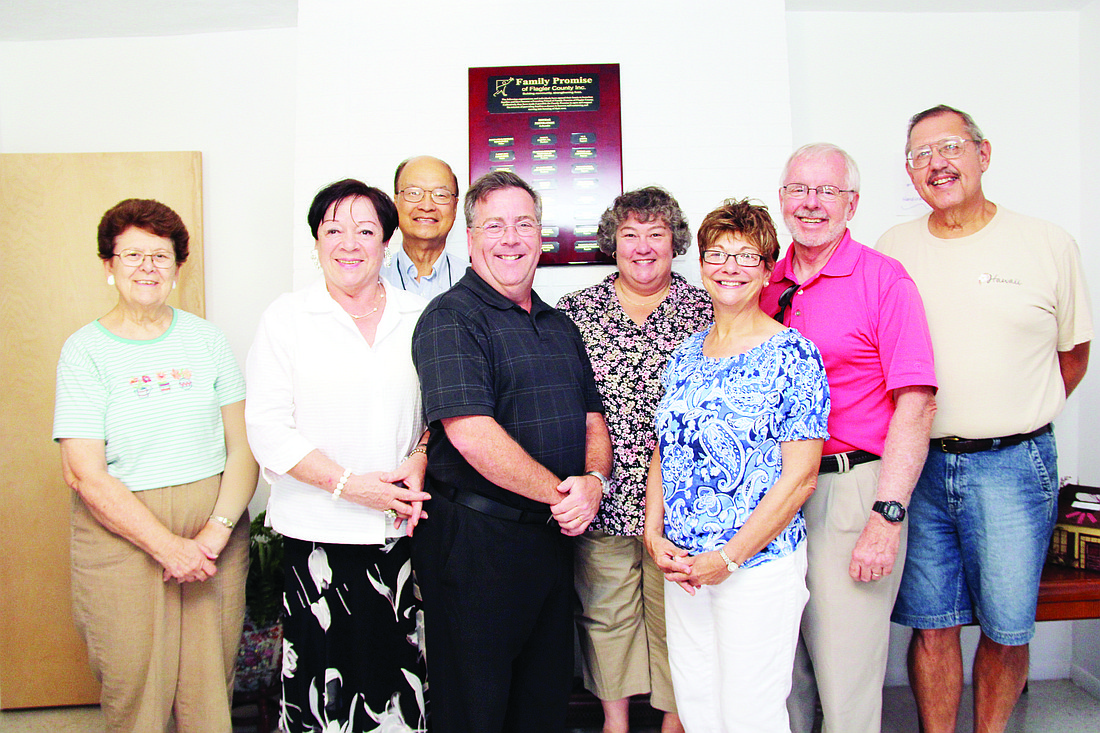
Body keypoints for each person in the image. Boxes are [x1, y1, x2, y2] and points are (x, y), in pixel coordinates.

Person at [878, 105, 1092, 733]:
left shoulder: (1047, 242)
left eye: (949, 147)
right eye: (919, 154)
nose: (936, 163)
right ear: (910, 173)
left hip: (1014, 465)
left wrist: (1015, 413)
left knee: (1006, 623)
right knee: (932, 620)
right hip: (916, 465)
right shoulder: (895, 249)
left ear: (983, 153)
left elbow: (1073, 354)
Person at [411, 170, 612, 733]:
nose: (511, 238)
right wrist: (563, 496)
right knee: (476, 708)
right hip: (477, 547)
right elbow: (469, 431)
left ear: (541, 235)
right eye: (494, 225)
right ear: (470, 238)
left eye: (524, 223)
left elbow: (593, 417)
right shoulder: (451, 319)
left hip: (550, 541)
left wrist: (593, 483)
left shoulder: (558, 324)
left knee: (542, 702)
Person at [53, 198, 258, 732]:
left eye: (160, 256)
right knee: (135, 686)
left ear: (177, 267)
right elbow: (84, 472)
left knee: (210, 687)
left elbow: (243, 449)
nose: (147, 267)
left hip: (213, 530)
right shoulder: (85, 351)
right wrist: (169, 548)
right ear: (108, 265)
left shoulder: (208, 340)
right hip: (123, 536)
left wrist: (211, 537)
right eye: (132, 255)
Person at [759, 143, 938, 733]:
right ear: (782, 199)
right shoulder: (764, 281)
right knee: (786, 676)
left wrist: (887, 517)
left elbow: (916, 404)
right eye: (798, 190)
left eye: (826, 191)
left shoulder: (884, 281)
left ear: (852, 203)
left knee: (846, 679)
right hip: (776, 495)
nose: (810, 203)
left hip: (850, 488)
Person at [245, 179, 431, 732]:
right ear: (315, 243)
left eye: (366, 230)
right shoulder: (287, 317)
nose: (349, 243)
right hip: (317, 536)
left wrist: (419, 456)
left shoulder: (420, 315)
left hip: (399, 533)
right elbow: (268, 429)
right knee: (322, 690)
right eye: (333, 230)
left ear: (387, 243)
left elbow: (438, 417)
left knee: (394, 681)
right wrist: (353, 486)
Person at [645, 198, 830, 732]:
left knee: (750, 714)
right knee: (700, 708)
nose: (730, 267)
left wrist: (727, 559)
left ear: (767, 269)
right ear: (700, 264)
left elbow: (800, 479)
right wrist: (654, 534)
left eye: (746, 256)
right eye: (718, 254)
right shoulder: (685, 356)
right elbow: (666, 450)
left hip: (755, 567)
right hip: (684, 568)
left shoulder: (793, 354)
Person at [557, 186, 711, 733]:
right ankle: (615, 722)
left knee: (679, 617)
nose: (643, 247)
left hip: (683, 497)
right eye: (630, 235)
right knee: (606, 614)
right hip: (603, 490)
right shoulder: (576, 310)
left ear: (676, 243)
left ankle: (675, 721)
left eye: (656, 234)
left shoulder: (707, 307)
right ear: (612, 243)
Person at [380, 155, 466, 298]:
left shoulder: (476, 282)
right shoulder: (373, 278)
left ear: (455, 206)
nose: (427, 206)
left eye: (440, 195)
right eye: (413, 193)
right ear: (396, 202)